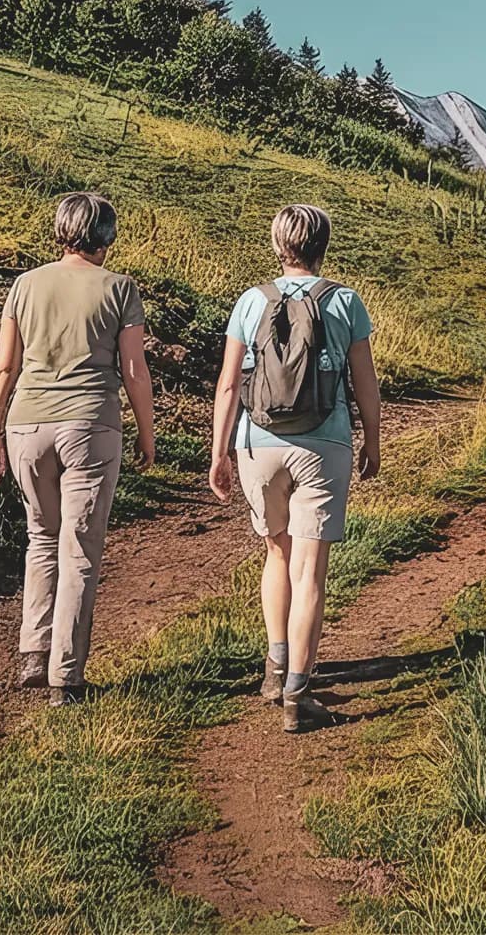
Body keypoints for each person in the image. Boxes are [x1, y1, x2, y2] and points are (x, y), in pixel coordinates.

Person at [0, 192, 156, 706]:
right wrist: (146, 433)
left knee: (41, 536)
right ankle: (66, 677)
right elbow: (134, 371)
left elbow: (5, 368)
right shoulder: (121, 289)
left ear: (60, 231)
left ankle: (33, 652)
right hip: (91, 425)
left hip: (26, 425)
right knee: (80, 548)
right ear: (108, 238)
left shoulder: (24, 285)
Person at [208, 204, 381, 732]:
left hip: (258, 445)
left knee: (275, 553)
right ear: (324, 244)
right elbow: (364, 382)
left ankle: (273, 665)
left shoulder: (250, 301)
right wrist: (372, 438)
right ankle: (298, 693)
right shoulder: (345, 301)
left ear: (277, 244)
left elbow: (229, 383)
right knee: (310, 569)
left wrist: (219, 452)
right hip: (322, 444)